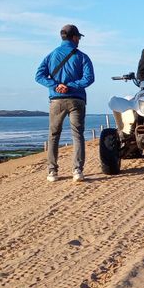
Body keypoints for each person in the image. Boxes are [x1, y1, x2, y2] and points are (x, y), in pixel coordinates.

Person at [35, 24, 95, 182]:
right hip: (76, 99)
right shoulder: (82, 56)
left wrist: (55, 85)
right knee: (77, 135)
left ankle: (52, 171)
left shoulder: (51, 55)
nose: (79, 40)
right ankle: (77, 170)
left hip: (56, 100)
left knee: (54, 135)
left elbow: (39, 76)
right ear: (74, 37)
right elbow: (89, 79)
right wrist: (71, 86)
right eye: (79, 38)